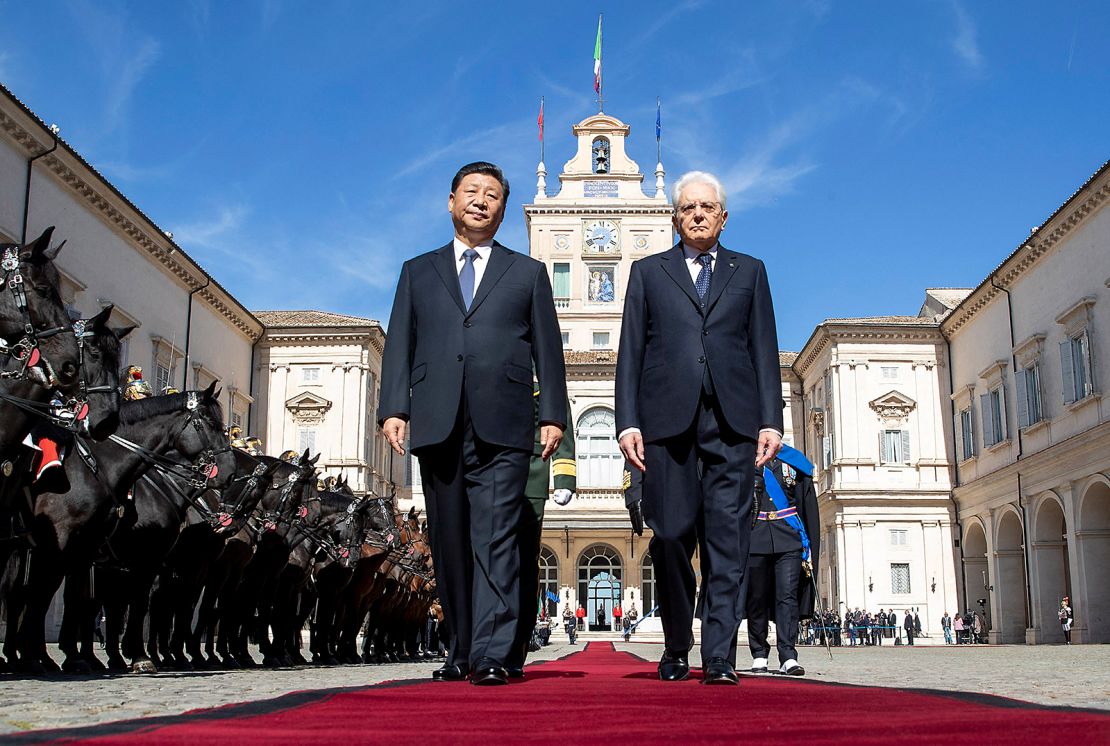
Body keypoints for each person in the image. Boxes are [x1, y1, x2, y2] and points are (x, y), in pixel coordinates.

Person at [378, 162, 567, 686]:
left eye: (492, 196)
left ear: (503, 208)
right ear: (451, 202)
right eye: (471, 193)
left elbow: (549, 351)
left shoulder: (528, 274)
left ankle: (491, 652)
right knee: (449, 539)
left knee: (498, 536)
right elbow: (400, 343)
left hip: (505, 424)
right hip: (438, 422)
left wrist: (553, 414)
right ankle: (459, 648)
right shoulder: (417, 272)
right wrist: (394, 407)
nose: (481, 201)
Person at [617, 171, 783, 686]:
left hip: (732, 423)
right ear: (674, 217)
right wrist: (627, 421)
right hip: (668, 424)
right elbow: (630, 353)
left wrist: (770, 419)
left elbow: (763, 348)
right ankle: (674, 646)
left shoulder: (750, 271)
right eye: (688, 207)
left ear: (723, 216)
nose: (697, 214)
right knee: (668, 536)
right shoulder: (648, 273)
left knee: (728, 543)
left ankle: (718, 657)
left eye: (706, 207)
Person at [508, 387, 576, 679]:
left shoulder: (539, 350)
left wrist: (564, 474)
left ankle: (515, 647)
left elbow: (558, 410)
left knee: (524, 563)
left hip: (530, 470)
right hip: (482, 465)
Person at [743, 443, 820, 677]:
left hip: (788, 537)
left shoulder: (794, 460)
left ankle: (788, 655)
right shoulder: (747, 458)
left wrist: (809, 546)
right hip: (755, 535)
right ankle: (759, 652)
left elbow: (807, 507)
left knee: (787, 596)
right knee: (757, 598)